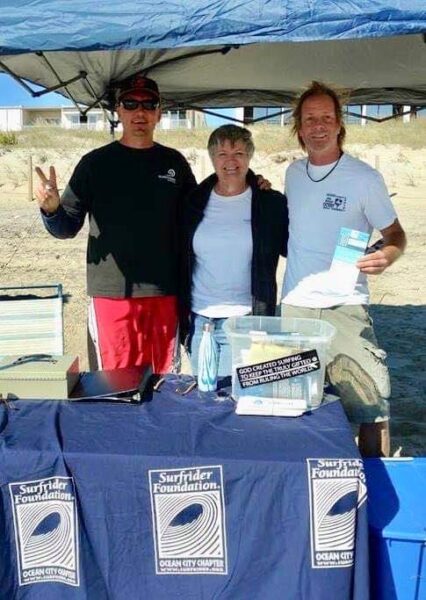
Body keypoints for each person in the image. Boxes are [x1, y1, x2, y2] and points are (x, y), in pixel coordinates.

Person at [35, 74, 196, 373]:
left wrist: (252, 184)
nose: (140, 112)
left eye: (149, 104)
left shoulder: (175, 163)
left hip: (165, 293)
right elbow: (66, 227)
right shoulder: (94, 164)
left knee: (163, 384)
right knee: (115, 385)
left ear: (159, 113)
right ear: (118, 111)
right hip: (112, 295)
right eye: (131, 103)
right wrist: (52, 210)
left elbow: (200, 214)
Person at [281, 81, 406, 457]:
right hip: (295, 307)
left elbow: (396, 234)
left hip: (346, 308)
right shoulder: (292, 174)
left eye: (326, 118)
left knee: (371, 405)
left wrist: (388, 254)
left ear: (339, 125)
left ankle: (376, 487)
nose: (318, 126)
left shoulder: (365, 178)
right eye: (310, 119)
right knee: (295, 406)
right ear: (299, 129)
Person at [181, 125, 288, 376]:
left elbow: (291, 247)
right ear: (211, 158)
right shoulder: (192, 202)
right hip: (199, 321)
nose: (231, 161)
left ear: (249, 157)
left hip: (245, 321)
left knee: (234, 401)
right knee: (205, 397)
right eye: (222, 154)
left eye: (239, 153)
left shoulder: (270, 203)